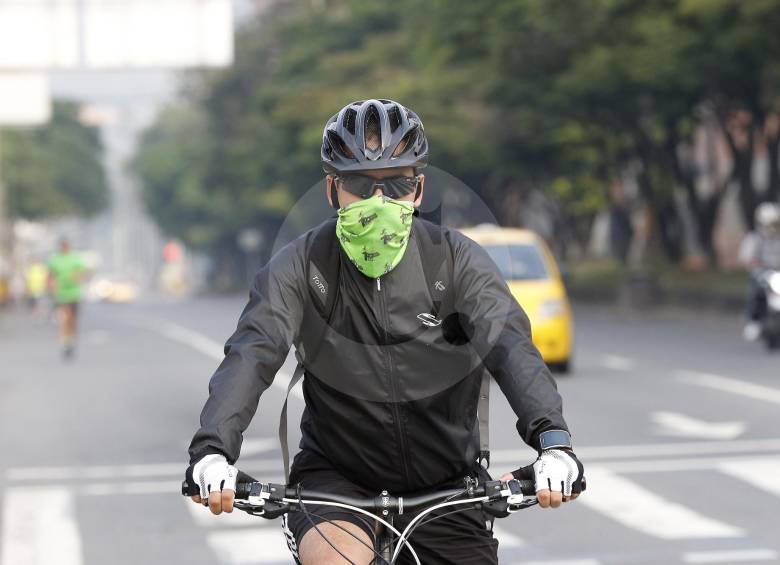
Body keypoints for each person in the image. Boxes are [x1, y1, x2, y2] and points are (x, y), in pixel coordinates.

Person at [185, 99, 584, 564]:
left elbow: (511, 346)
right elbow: (252, 353)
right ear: (334, 189)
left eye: (396, 184)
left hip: (449, 487)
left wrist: (553, 442)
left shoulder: (457, 261)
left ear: (418, 191)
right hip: (335, 485)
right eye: (360, 184)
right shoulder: (298, 266)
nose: (379, 201)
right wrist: (213, 451)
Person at [738, 202, 780, 341]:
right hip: (761, 274)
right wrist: (754, 264)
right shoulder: (754, 239)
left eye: (776, 223)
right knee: (756, 292)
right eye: (771, 223)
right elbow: (745, 257)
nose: (773, 226)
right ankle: (753, 320)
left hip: (777, 274)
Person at [47, 238, 87, 358]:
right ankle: (65, 343)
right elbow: (50, 275)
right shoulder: (55, 260)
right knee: (64, 318)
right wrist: (51, 286)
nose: (64, 248)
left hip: (74, 294)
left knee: (72, 320)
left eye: (66, 246)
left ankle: (71, 340)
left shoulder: (75, 258)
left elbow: (82, 272)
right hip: (61, 294)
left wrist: (77, 277)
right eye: (62, 246)